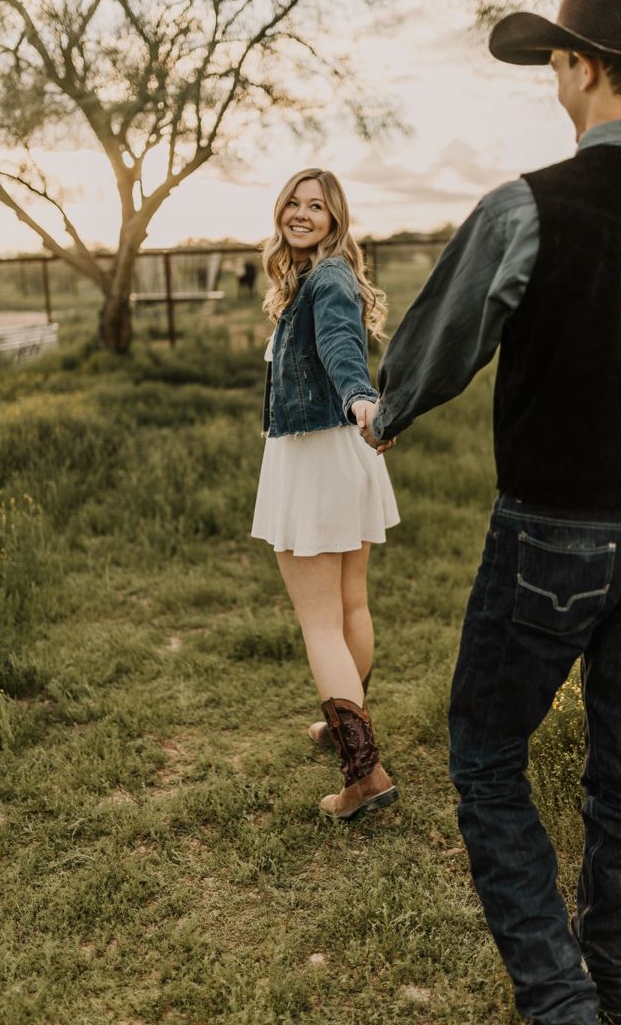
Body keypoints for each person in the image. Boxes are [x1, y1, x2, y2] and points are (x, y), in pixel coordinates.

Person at [360, 0, 621, 1025]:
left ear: (581, 64)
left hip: (548, 544)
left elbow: (434, 351)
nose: (556, 83)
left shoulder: (528, 205)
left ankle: (564, 1006)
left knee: (485, 754)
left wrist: (387, 411)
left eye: (557, 65)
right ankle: (615, 993)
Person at [251, 167, 400, 820]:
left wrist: (360, 395)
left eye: (317, 206)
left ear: (336, 220)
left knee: (320, 623)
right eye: (295, 202)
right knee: (348, 607)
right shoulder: (310, 277)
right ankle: (345, 725)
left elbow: (341, 347)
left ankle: (363, 776)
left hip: (317, 457)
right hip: (342, 455)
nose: (302, 213)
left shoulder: (328, 278)